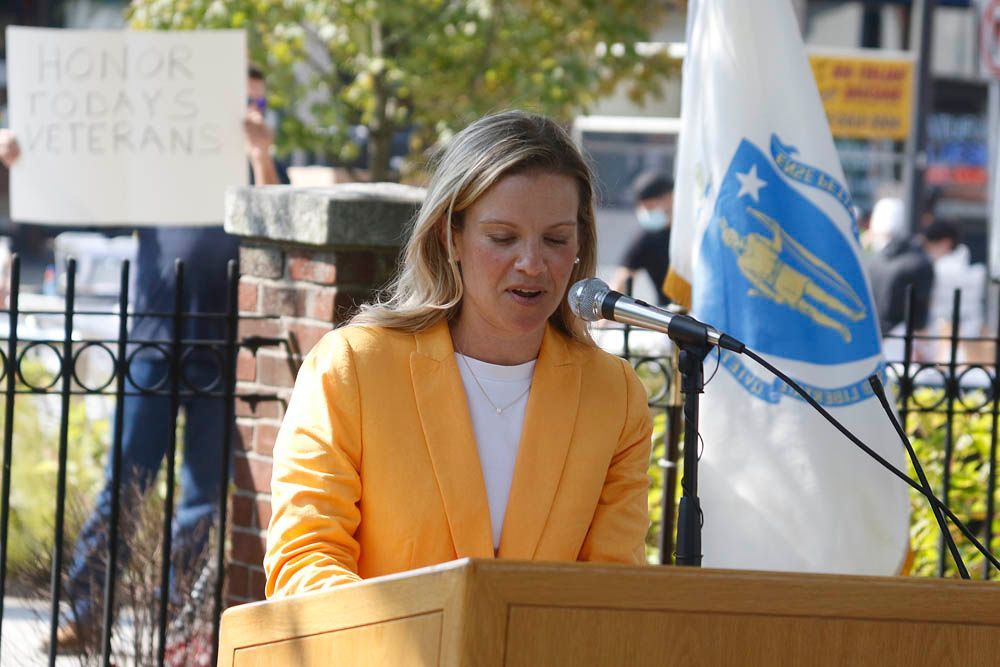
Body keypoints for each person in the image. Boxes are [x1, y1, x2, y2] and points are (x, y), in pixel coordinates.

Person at [264, 110, 653, 597]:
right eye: (502, 238)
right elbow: (304, 559)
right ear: (451, 237)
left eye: (555, 239)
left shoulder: (614, 397)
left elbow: (613, 591)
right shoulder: (352, 368)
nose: (532, 264)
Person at [0, 66, 286, 652]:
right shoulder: (162, 164)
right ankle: (86, 614)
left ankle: (177, 622)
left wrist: (261, 156)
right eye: (238, 94)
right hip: (152, 344)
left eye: (255, 95)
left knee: (204, 497)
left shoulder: (263, 165)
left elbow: (283, 230)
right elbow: (81, 186)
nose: (246, 105)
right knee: (124, 483)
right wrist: (23, 159)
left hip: (222, 347)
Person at [609, 171, 673, 306]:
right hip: (669, 314)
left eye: (650, 207)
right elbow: (622, 279)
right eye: (643, 208)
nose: (647, 214)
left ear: (669, 198)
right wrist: (600, 323)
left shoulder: (693, 233)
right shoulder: (647, 238)